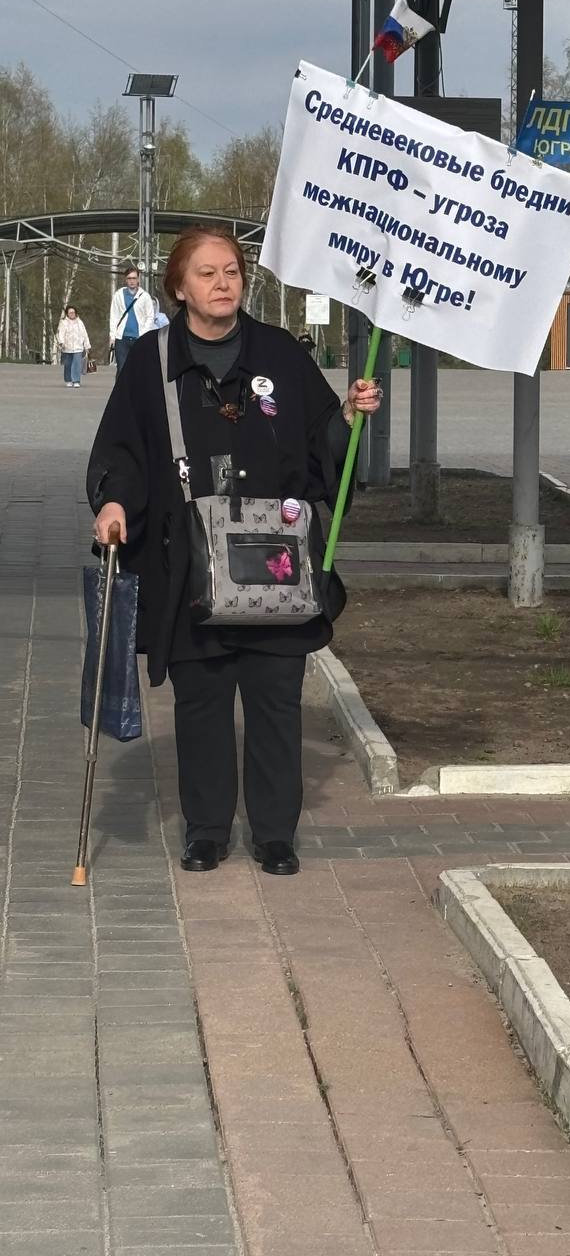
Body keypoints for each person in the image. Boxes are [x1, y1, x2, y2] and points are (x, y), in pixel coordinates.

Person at [87, 225, 381, 876]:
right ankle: (207, 830)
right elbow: (123, 453)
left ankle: (275, 834)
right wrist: (111, 503)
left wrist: (350, 420)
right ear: (179, 287)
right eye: (207, 274)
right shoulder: (150, 361)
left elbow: (320, 444)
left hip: (275, 561)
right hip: (189, 566)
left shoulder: (279, 353)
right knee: (202, 703)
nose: (223, 284)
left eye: (232, 272)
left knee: (276, 698)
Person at [108, 265, 153, 373]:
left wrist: (144, 334)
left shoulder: (145, 296)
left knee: (138, 368)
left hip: (139, 338)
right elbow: (114, 316)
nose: (132, 281)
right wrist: (112, 336)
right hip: (122, 338)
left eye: (134, 278)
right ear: (125, 280)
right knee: (122, 368)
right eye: (129, 278)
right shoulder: (118, 295)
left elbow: (150, 317)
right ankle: (121, 390)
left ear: (138, 279)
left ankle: (137, 390)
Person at [56, 305, 91, 387]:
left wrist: (87, 346)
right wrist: (61, 343)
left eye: (73, 312)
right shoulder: (64, 323)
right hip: (67, 348)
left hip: (78, 347)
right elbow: (61, 334)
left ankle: (76, 380)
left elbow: (84, 334)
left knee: (77, 364)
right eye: (70, 313)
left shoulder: (80, 323)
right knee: (68, 364)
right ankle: (68, 380)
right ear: (67, 314)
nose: (72, 314)